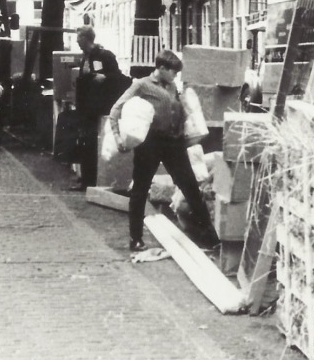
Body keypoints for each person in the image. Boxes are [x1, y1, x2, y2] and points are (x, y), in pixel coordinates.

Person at [109, 49, 220, 253]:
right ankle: (135, 239)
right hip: (150, 143)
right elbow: (115, 110)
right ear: (161, 68)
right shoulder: (141, 85)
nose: (175, 76)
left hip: (174, 144)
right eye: (173, 72)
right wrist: (117, 137)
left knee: (190, 188)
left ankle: (210, 238)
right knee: (140, 189)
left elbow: (178, 112)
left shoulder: (172, 87)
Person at [71, 25, 127, 191]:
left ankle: (94, 179)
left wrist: (105, 77)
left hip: (99, 107)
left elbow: (118, 77)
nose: (77, 41)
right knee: (85, 143)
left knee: (95, 143)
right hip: (86, 108)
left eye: (79, 38)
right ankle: (86, 179)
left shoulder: (104, 56)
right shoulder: (85, 57)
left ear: (86, 39)